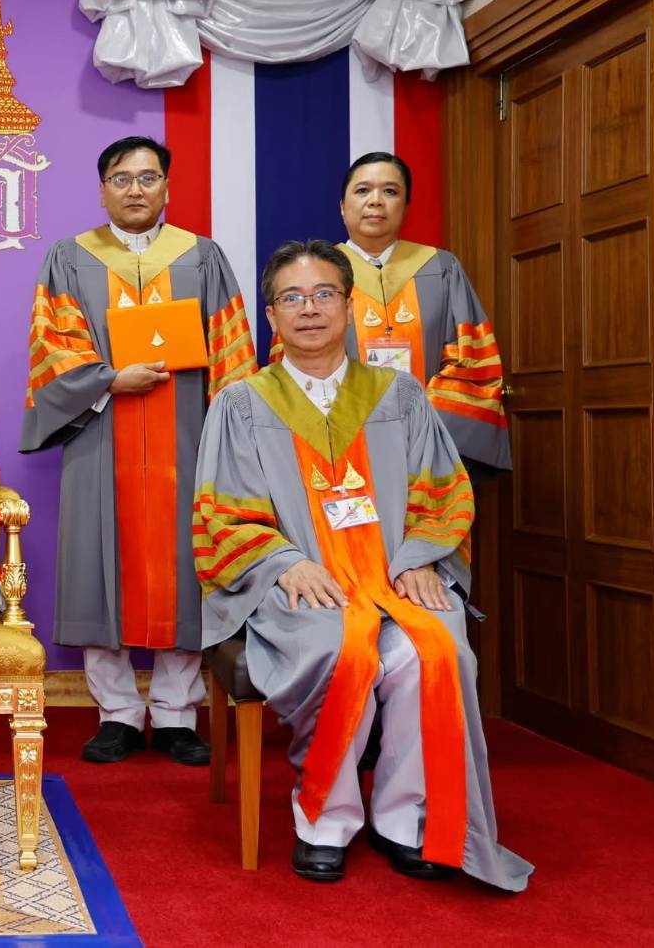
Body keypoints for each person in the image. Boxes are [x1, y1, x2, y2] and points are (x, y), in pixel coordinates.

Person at [194, 240, 531, 890]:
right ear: (271, 316)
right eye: (292, 298)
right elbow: (221, 511)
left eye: (324, 294)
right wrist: (282, 560)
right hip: (298, 583)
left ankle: (405, 817)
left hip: (393, 575)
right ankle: (325, 816)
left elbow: (443, 490)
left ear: (349, 307)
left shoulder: (399, 395)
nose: (309, 309)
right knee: (342, 647)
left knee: (435, 648)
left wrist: (422, 557)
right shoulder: (242, 404)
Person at [21, 135, 257, 765]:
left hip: (189, 436)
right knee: (99, 565)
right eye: (121, 179)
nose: (135, 190)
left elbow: (232, 349)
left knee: (186, 565)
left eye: (148, 178)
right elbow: (53, 345)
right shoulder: (69, 258)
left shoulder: (202, 257)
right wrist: (107, 381)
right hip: (101, 434)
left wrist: (232, 438)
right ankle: (118, 713)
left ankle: (177, 714)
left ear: (167, 187)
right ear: (102, 190)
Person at [335, 152, 510, 471]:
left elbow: (471, 362)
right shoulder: (319, 273)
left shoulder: (441, 268)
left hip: (429, 442)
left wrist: (421, 423)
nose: (376, 201)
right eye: (362, 190)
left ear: (406, 206)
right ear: (343, 207)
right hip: (343, 442)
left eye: (390, 191)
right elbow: (296, 362)